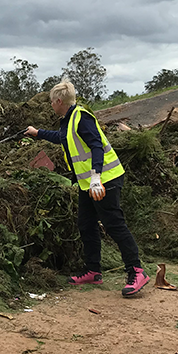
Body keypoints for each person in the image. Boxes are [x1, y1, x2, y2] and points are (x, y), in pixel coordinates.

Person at [25, 80, 149, 297]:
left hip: (105, 180)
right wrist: (38, 133)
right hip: (87, 183)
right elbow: (62, 139)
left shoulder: (82, 117)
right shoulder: (68, 120)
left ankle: (136, 271)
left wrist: (95, 177)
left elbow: (96, 146)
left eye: (52, 102)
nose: (51, 106)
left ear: (59, 101)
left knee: (114, 225)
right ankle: (93, 270)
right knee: (86, 224)